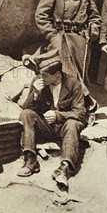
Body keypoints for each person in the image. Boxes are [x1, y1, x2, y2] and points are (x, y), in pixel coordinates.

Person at [35, 0, 101, 116]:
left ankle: (79, 107)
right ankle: (74, 104)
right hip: (59, 37)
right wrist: (52, 35)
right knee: (64, 72)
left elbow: (95, 16)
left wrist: (94, 28)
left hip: (79, 40)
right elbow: (41, 15)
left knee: (80, 74)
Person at [17, 49, 87, 189]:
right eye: (40, 74)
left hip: (64, 128)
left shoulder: (73, 83)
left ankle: (64, 168)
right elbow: (26, 108)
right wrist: (35, 94)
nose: (41, 78)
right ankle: (30, 159)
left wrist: (58, 115)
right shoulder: (38, 81)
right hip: (46, 127)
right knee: (26, 114)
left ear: (57, 74)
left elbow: (80, 113)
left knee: (73, 123)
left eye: (45, 75)